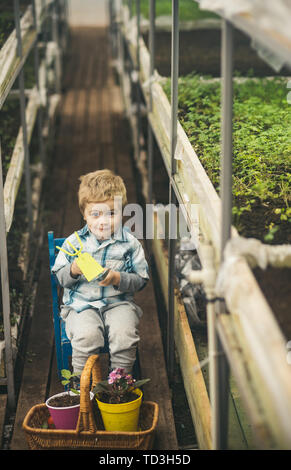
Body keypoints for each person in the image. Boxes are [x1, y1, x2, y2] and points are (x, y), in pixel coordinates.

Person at [52, 169, 149, 378]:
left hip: (118, 303)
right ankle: (83, 386)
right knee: (87, 337)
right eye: (95, 214)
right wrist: (73, 270)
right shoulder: (74, 243)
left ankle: (119, 383)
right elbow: (60, 278)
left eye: (111, 213)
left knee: (125, 335)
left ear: (122, 211)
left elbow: (141, 280)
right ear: (84, 214)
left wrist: (117, 278)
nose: (103, 221)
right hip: (81, 306)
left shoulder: (130, 244)